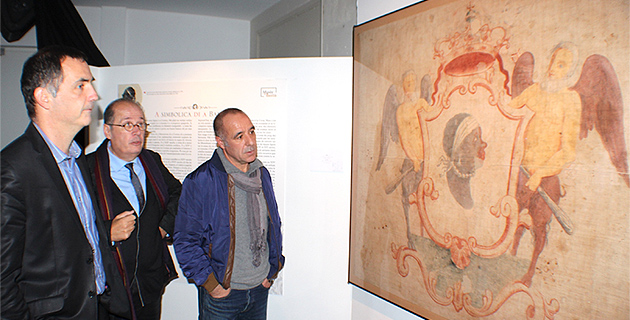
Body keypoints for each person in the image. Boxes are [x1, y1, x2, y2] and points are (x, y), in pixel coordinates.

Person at [1, 46, 130, 319]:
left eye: (91, 84)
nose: (94, 95)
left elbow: (79, 236)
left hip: (97, 307)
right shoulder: (12, 169)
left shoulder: (77, 159)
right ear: (44, 97)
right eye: (80, 85)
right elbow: (2, 280)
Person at [174, 108, 284, 319]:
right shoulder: (201, 180)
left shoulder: (262, 174)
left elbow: (273, 225)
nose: (250, 141)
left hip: (259, 288)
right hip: (223, 294)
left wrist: (271, 271)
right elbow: (185, 240)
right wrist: (212, 284)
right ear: (221, 142)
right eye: (239, 136)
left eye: (251, 132)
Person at [87, 98, 181, 319]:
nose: (137, 131)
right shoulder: (87, 169)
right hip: (110, 290)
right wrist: (107, 231)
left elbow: (178, 193)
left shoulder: (151, 161)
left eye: (141, 124)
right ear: (108, 130)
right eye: (128, 124)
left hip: (150, 285)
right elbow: (70, 226)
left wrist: (164, 227)